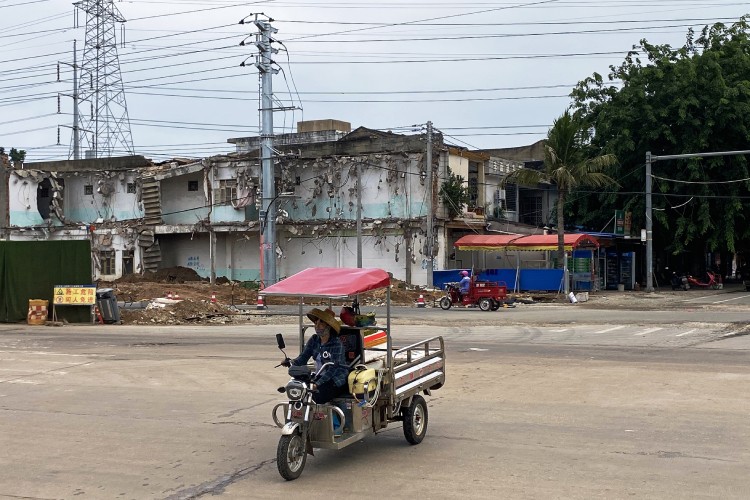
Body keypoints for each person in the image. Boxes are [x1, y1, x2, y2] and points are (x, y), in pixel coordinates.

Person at [282, 308, 349, 404]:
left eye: (321, 323)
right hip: (317, 376)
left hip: (335, 379)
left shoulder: (337, 344)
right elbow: (303, 358)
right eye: (316, 323)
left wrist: (317, 384)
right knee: (297, 392)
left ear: (328, 326)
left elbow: (332, 370)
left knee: (317, 396)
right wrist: (291, 362)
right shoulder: (314, 340)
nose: (317, 326)